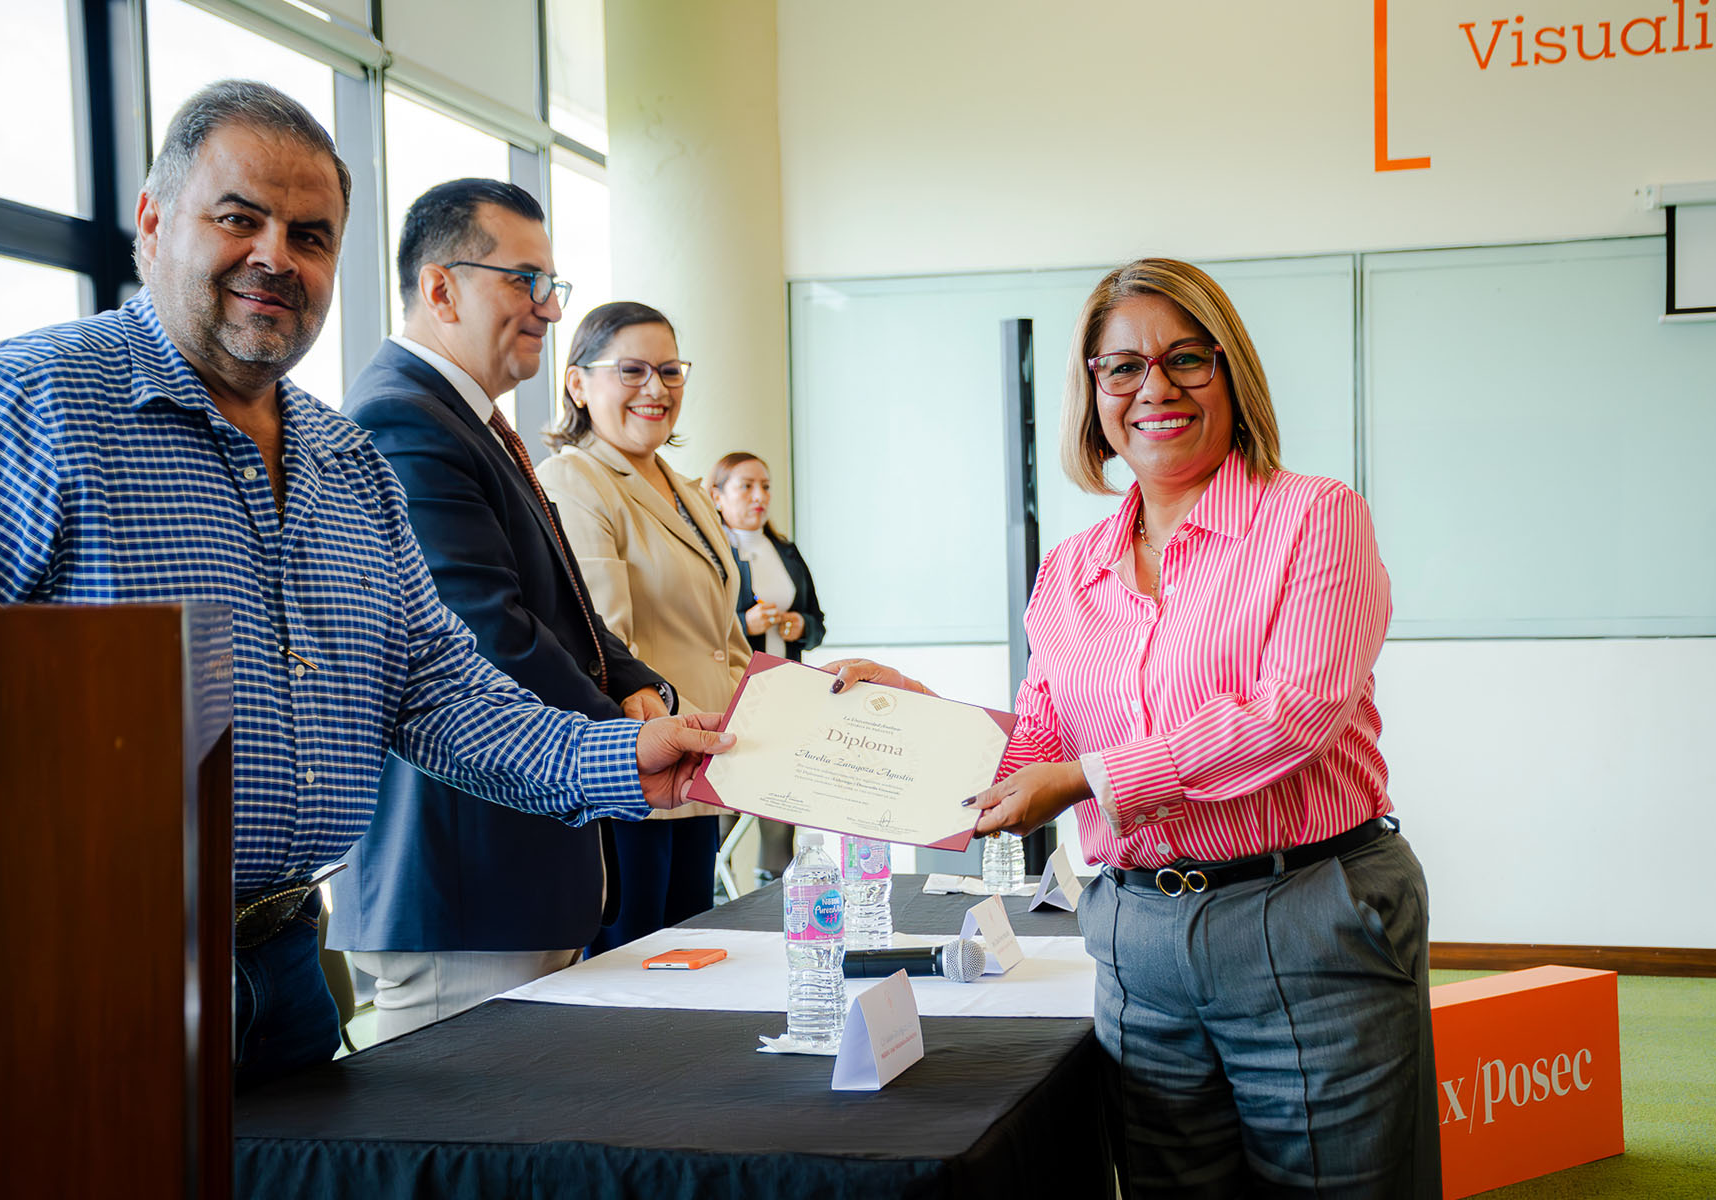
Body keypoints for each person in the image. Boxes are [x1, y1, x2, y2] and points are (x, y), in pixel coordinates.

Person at [0, 81, 729, 1088]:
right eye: (238, 218)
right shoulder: (24, 409)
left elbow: (442, 694)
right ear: (152, 224)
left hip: (286, 967)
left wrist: (627, 757)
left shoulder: (346, 461)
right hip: (73, 977)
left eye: (311, 235)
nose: (276, 255)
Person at [829, 258, 1437, 1197]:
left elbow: (1292, 717)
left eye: (1187, 359)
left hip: (1308, 918)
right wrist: (906, 715)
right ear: (1094, 394)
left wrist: (1086, 781)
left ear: (1234, 374)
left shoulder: (1315, 517)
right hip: (1136, 937)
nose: (1155, 387)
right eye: (1122, 368)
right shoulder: (1072, 569)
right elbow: (1037, 743)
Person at [325, 179, 677, 1040]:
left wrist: (631, 682)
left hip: (517, 868)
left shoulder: (468, 419)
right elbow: (483, 636)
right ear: (440, 287)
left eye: (552, 285)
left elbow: (558, 604)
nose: (550, 310)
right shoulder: (402, 421)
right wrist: (617, 738)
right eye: (524, 281)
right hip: (465, 875)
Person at [537, 302, 752, 950]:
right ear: (578, 383)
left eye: (669, 370)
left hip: (702, 774)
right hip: (639, 773)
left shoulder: (687, 489)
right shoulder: (576, 480)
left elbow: (725, 641)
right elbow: (606, 645)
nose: (655, 389)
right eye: (631, 370)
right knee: (640, 977)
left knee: (695, 970)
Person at [710, 450, 825, 882]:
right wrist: (744, 624)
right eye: (746, 486)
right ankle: (716, 897)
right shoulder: (711, 551)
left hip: (786, 692)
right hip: (731, 694)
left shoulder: (785, 551)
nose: (760, 496)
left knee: (781, 795)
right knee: (723, 798)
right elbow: (697, 625)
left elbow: (818, 622)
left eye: (766, 486)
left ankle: (775, 892)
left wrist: (799, 625)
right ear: (717, 496)